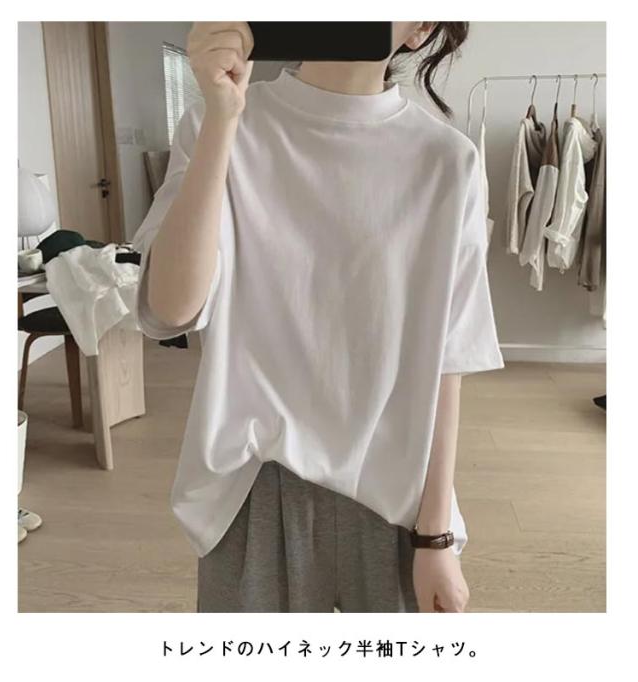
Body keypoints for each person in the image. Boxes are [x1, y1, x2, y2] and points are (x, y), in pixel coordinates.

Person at [132, 21, 505, 613]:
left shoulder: (447, 161)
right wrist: (224, 117)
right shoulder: (216, 121)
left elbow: (447, 360)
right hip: (250, 486)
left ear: (422, 28)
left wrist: (435, 534)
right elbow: (172, 308)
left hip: (394, 497)